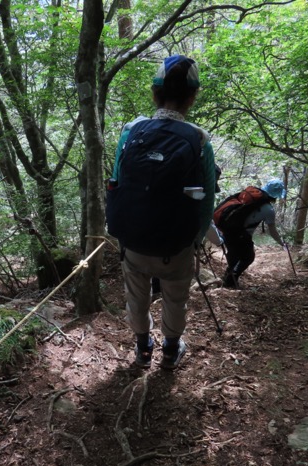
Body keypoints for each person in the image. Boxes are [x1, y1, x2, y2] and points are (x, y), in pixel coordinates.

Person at [109, 55, 217, 369]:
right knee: (175, 298)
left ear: (155, 93)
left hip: (134, 241)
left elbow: (117, 180)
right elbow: (206, 200)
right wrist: (193, 238)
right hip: (176, 244)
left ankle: (143, 349)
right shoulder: (198, 140)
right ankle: (170, 351)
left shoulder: (131, 131)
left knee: (137, 296)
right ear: (192, 97)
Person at [220, 179, 287, 289]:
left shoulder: (250, 199)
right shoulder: (268, 210)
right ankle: (230, 282)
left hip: (227, 229)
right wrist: (281, 243)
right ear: (276, 196)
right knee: (248, 257)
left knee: (234, 256)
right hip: (240, 235)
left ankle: (228, 280)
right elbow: (272, 231)